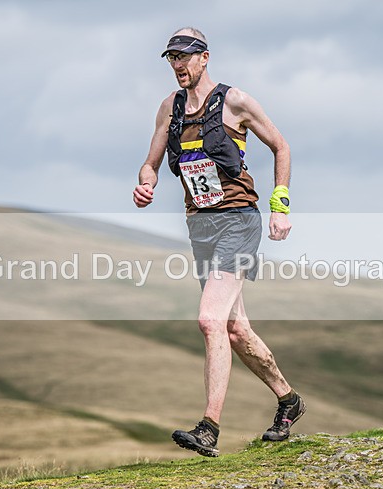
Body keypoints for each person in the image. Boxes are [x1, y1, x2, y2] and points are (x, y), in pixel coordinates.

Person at [133, 27, 305, 457]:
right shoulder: (169, 109)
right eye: (171, 58)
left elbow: (281, 146)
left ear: (204, 57)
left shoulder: (236, 102)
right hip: (200, 226)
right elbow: (150, 163)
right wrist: (145, 183)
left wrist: (280, 204)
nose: (178, 65)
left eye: (185, 57)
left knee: (210, 320)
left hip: (239, 222)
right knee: (234, 327)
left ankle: (209, 427)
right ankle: (289, 400)